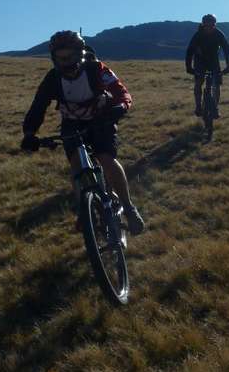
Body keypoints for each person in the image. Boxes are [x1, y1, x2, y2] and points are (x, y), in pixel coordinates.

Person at [21, 30, 145, 234]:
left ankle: (129, 209)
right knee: (77, 168)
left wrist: (121, 107)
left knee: (105, 158)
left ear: (79, 54)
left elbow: (120, 91)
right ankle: (84, 211)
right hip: (71, 123)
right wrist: (29, 133)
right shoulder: (52, 78)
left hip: (101, 119)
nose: (65, 62)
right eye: (60, 57)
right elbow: (38, 106)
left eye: (69, 56)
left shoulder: (96, 69)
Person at [185, 14, 229, 118]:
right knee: (198, 82)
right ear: (203, 25)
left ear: (214, 25)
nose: (208, 28)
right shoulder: (198, 35)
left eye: (211, 25)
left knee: (217, 83)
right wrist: (188, 67)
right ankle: (198, 106)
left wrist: (228, 65)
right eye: (206, 25)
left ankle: (215, 107)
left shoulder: (219, 34)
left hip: (213, 61)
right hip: (200, 61)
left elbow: (226, 49)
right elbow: (190, 51)